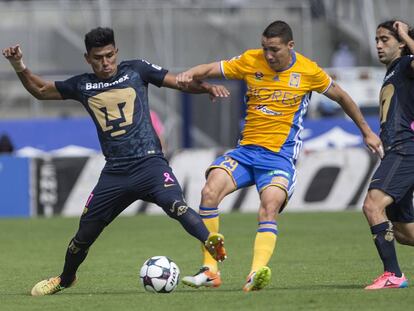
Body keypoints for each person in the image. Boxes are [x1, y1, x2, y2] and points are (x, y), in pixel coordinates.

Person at [2, 27, 230, 296]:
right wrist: (18, 64)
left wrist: (205, 88)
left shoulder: (137, 70)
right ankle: (65, 278)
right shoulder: (83, 85)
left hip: (150, 165)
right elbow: (40, 90)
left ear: (116, 52)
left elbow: (178, 82)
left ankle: (211, 241)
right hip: (115, 173)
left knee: (177, 206)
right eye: (98, 57)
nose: (105, 62)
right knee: (82, 237)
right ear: (88, 58)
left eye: (110, 55)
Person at [176, 20, 384, 292]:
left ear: (290, 45)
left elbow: (342, 96)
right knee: (208, 192)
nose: (268, 55)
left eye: (274, 49)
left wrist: (367, 131)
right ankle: (210, 269)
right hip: (246, 152)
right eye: (265, 49)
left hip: (279, 158)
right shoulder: (251, 61)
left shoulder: (308, 71)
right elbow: (212, 68)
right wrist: (190, 73)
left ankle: (255, 273)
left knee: (269, 207)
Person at [362, 20, 414, 290]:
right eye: (377, 40)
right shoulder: (394, 71)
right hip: (398, 151)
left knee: (372, 206)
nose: (379, 45)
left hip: (405, 149)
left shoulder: (406, 65)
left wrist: (406, 34)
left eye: (385, 39)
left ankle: (393, 275)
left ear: (402, 43)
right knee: (405, 232)